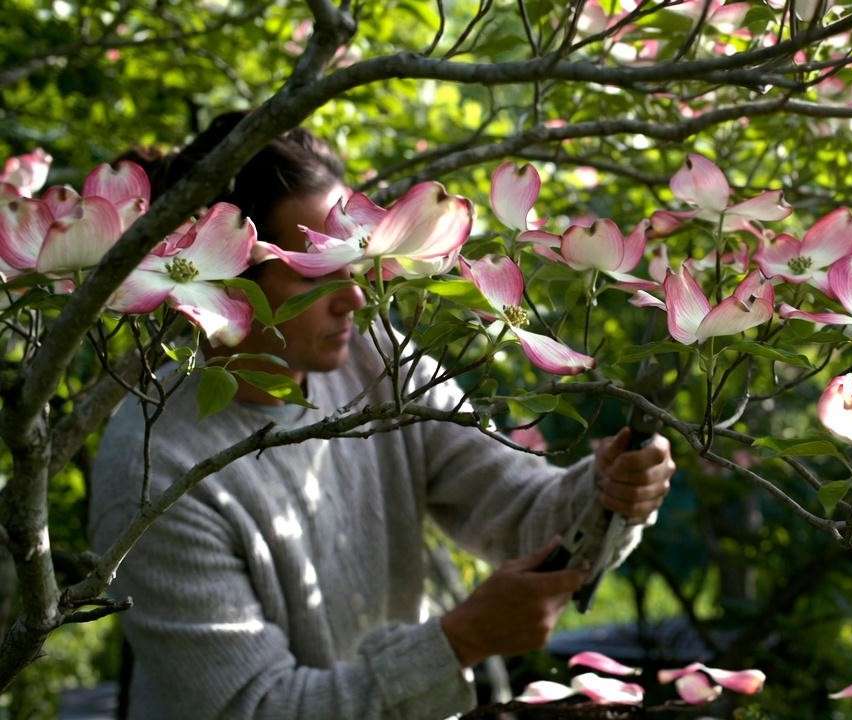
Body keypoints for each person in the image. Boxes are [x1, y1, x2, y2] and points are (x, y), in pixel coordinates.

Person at [88, 112, 676, 720]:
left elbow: (524, 515)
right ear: (226, 280)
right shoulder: (154, 467)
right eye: (317, 271)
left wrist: (609, 490)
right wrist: (459, 642)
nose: (357, 297)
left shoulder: (373, 362)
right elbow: (257, 709)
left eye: (356, 260)